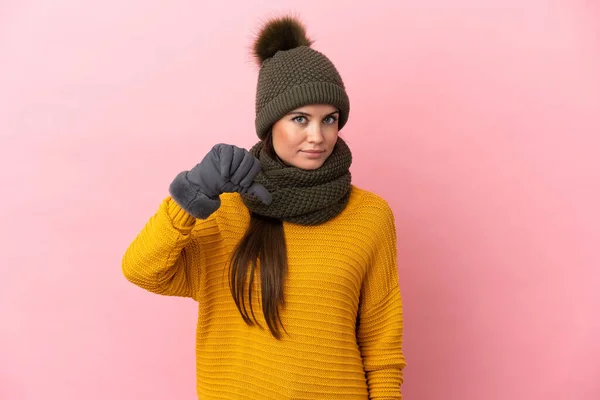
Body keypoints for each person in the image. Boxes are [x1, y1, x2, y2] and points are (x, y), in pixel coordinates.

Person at [122, 14, 407, 399]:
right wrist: (192, 193)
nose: (317, 136)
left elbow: (381, 346)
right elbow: (142, 270)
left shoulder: (370, 216)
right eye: (300, 119)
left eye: (330, 119)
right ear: (270, 123)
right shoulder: (225, 211)